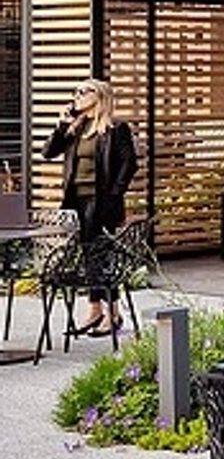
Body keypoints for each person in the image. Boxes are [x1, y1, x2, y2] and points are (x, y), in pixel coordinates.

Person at [42, 77, 138, 336]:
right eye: (76, 91)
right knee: (88, 257)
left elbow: (129, 165)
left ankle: (113, 314)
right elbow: (48, 153)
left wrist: (113, 197)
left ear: (100, 96)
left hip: (101, 203)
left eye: (84, 91)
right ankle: (95, 310)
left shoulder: (116, 129)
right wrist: (61, 126)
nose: (78, 96)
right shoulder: (75, 128)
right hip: (76, 202)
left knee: (101, 257)